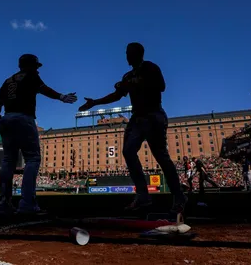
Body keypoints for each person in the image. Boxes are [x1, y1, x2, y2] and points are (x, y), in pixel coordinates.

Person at [78, 43, 187, 214]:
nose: (127, 56)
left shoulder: (150, 67)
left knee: (161, 156)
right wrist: (95, 102)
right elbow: (116, 95)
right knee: (128, 151)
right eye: (126, 53)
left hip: (154, 115)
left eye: (130, 53)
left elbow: (161, 87)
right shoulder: (127, 76)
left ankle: (179, 196)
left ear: (139, 53)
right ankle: (143, 196)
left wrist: (134, 84)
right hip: (137, 118)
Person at [0, 54, 77, 217]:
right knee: (33, 159)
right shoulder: (31, 75)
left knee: (7, 160)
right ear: (29, 65)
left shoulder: (8, 81)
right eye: (36, 66)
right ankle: (27, 203)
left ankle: (4, 204)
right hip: (23, 118)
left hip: (5, 120)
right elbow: (43, 89)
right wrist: (61, 97)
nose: (37, 70)